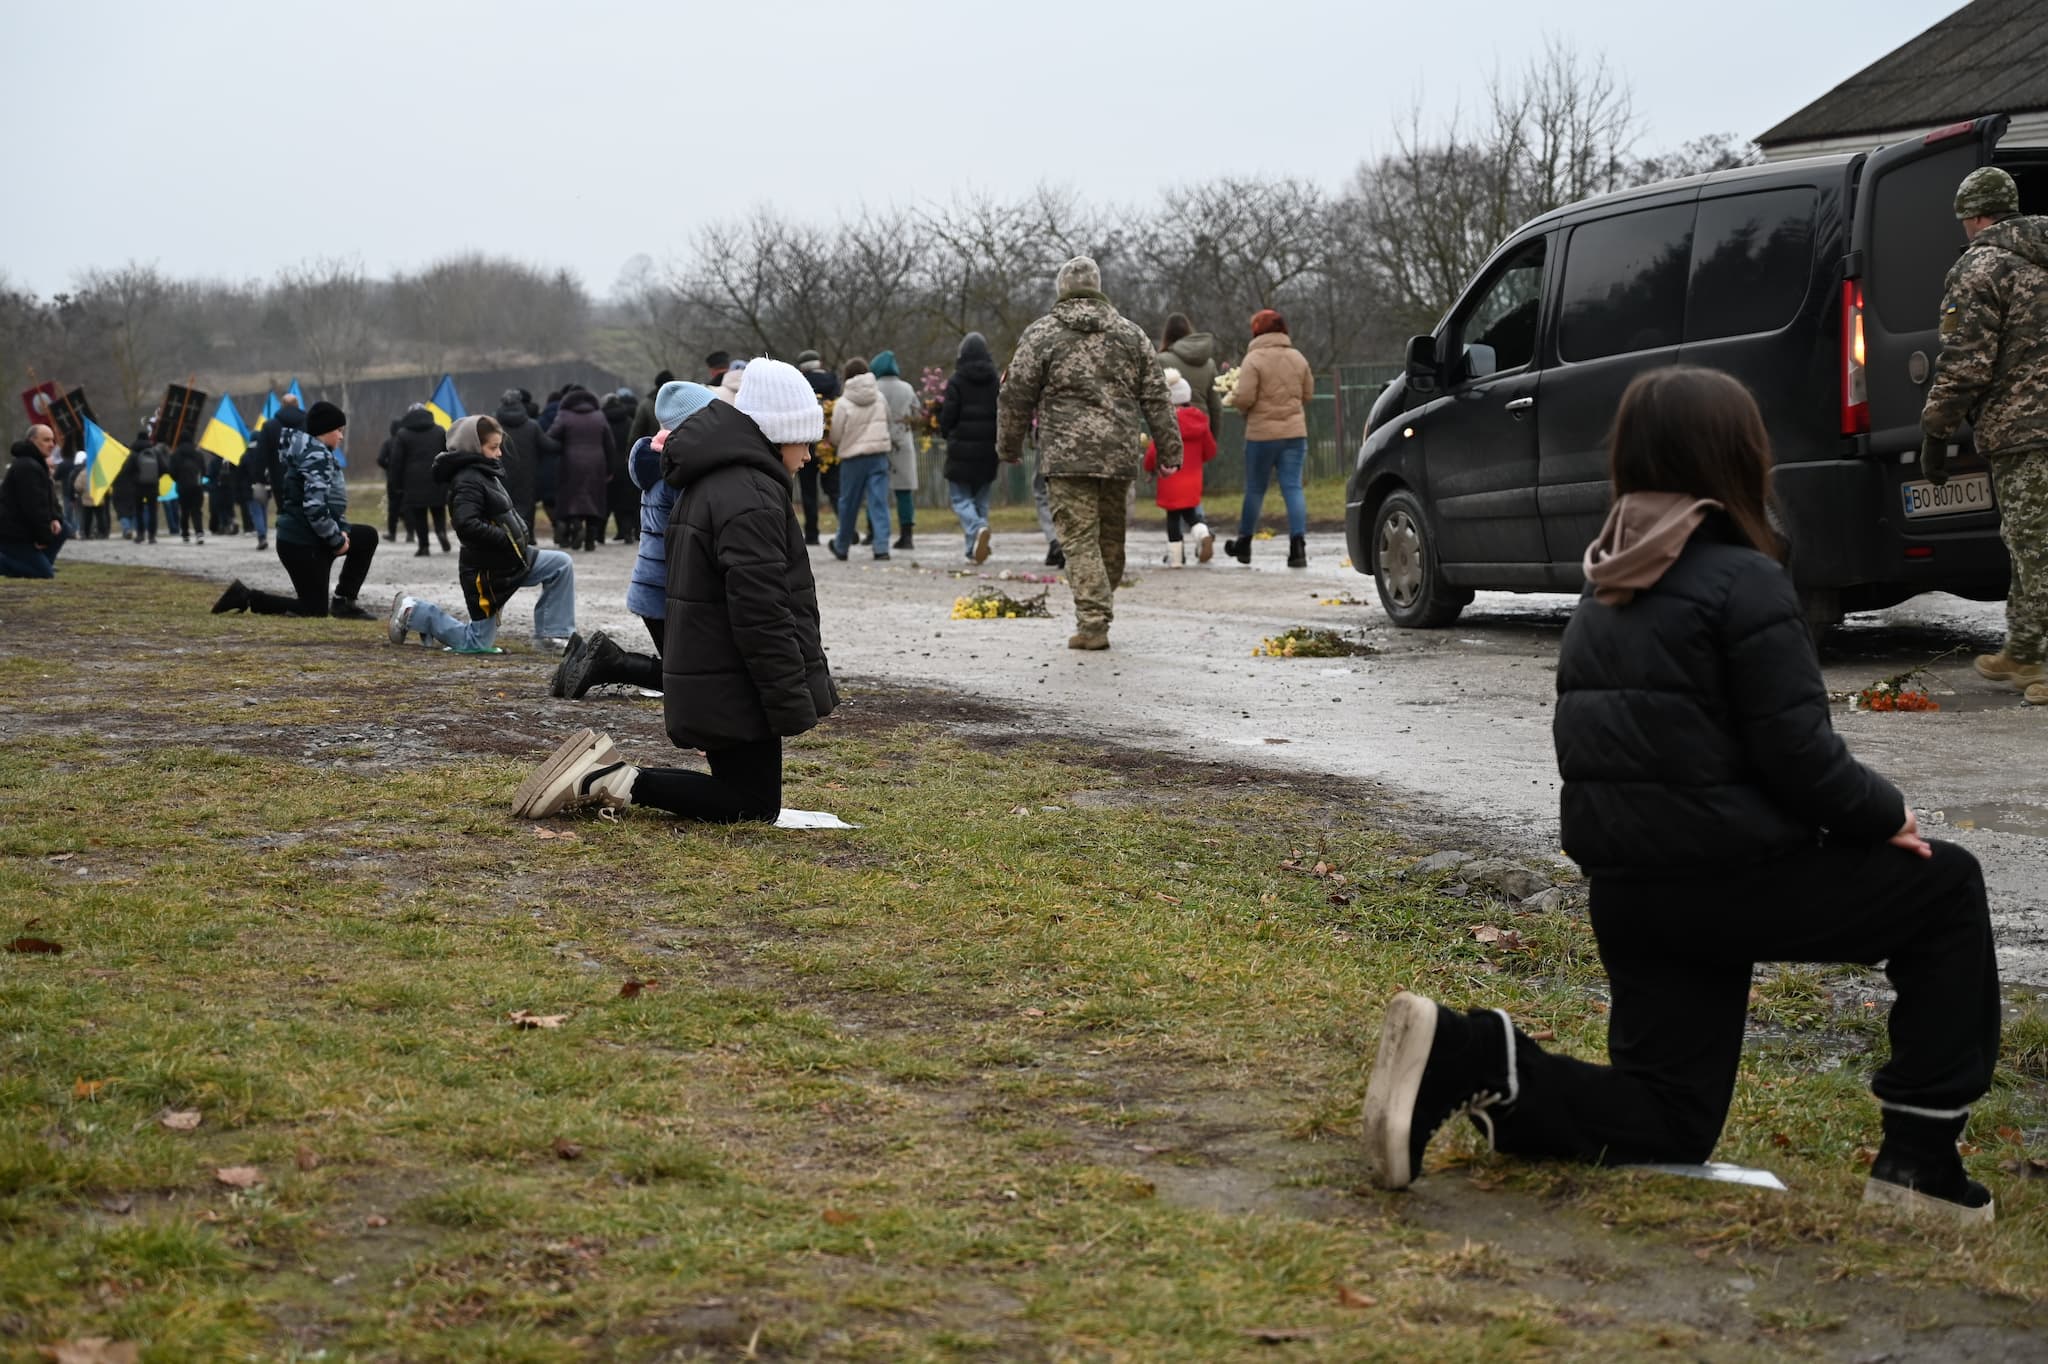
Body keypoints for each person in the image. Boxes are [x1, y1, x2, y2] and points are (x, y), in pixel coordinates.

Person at [1359, 366, 2000, 1226]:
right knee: (1946, 888)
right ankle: (1922, 1162)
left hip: (1631, 895)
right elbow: (1799, 755)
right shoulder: (1744, 580)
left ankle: (1473, 1053)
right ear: (1739, 459)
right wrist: (1889, 817)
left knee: (1667, 1121)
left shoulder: (1604, 588)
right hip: (1728, 882)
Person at [515, 359, 836, 823]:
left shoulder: (721, 479)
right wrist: (787, 697)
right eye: (804, 439)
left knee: (744, 794)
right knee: (753, 804)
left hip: (718, 667)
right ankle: (605, 780)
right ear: (779, 432)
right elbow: (761, 612)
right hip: (734, 675)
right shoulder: (752, 494)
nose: (808, 455)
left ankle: (611, 779)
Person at [997, 255, 1181, 650]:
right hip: (1117, 453)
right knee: (1110, 539)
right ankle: (1099, 606)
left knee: (1079, 539)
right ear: (1098, 287)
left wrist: (1008, 445)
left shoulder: (1042, 334)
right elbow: (1156, 395)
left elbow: (1015, 395)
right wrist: (1170, 448)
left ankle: (1094, 621)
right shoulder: (1131, 335)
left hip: (1065, 455)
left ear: (1062, 289)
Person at [1918, 166, 2048, 707]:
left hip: (2025, 429)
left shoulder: (1980, 268)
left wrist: (1936, 429)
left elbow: (1966, 362)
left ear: (1973, 216)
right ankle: (2021, 648)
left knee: (2036, 546)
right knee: (2027, 539)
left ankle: (2039, 662)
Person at [554, 381, 719, 698]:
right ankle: (608, 662)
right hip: (669, 592)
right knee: (692, 679)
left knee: (687, 673)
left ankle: (586, 656)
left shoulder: (662, 464)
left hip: (655, 589)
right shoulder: (678, 475)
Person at [384, 415, 576, 655]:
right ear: (475, 447)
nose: (499, 453)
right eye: (493, 447)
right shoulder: (467, 480)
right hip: (487, 572)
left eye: (499, 447)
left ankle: (553, 635)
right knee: (476, 643)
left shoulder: (485, 473)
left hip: (512, 559)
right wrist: (503, 538)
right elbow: (466, 523)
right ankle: (413, 611)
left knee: (560, 565)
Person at [211, 401, 379, 619]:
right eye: (338, 430)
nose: (341, 436)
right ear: (324, 431)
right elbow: (315, 508)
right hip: (301, 544)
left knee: (366, 537)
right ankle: (247, 597)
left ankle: (344, 602)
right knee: (313, 609)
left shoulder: (314, 452)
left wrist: (339, 533)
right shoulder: (316, 457)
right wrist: (337, 540)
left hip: (312, 537)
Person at [1223, 309, 1316, 569]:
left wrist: (1237, 400)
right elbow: (1308, 393)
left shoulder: (1254, 359)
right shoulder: (1297, 357)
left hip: (1262, 435)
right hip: (1295, 434)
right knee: (1293, 488)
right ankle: (1298, 547)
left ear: (1257, 330)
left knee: (1255, 489)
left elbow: (1245, 398)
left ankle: (1244, 543)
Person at [1144, 370, 1218, 567]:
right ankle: (1203, 534)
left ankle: (1176, 559)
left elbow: (1152, 453)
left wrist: (1149, 467)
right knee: (1191, 514)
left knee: (1173, 518)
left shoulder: (1165, 424)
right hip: (1193, 478)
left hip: (1170, 479)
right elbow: (1210, 451)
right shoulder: (1200, 422)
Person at [938, 333, 1001, 564]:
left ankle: (978, 528)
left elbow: (949, 416)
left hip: (961, 451)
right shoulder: (995, 380)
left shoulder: (956, 380)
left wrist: (945, 431)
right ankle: (972, 549)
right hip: (988, 450)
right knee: (980, 501)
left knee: (960, 499)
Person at [826, 358, 894, 561]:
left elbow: (836, 434)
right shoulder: (879, 397)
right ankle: (881, 547)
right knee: (879, 502)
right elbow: (888, 421)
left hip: (852, 458)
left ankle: (842, 545)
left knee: (848, 503)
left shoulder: (843, 403)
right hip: (878, 455)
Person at [549, 385, 614, 552]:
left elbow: (551, 436)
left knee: (573, 496)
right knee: (594, 497)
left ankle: (576, 525)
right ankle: (590, 540)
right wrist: (610, 467)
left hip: (571, 461)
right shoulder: (599, 416)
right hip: (597, 462)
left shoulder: (564, 415)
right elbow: (609, 443)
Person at [871, 350, 921, 551]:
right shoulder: (907, 388)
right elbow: (917, 412)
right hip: (903, 442)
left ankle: (874, 532)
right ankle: (906, 535)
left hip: (879, 439)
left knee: (876, 489)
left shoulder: (875, 388)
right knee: (904, 491)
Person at [0, 431, 67, 578]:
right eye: (46, 440)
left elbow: (50, 500)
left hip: (24, 530)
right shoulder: (27, 467)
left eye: (52, 440)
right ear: (32, 441)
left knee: (64, 528)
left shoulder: (37, 465)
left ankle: (39, 562)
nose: (52, 445)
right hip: (13, 534)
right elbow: (34, 507)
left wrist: (55, 518)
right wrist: (43, 537)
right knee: (44, 574)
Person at [390, 404, 451, 556]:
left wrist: (396, 483)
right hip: (437, 476)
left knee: (419, 513)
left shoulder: (403, 434)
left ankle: (424, 546)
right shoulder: (439, 430)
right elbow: (447, 453)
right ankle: (441, 532)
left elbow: (396, 461)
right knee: (438, 509)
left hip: (413, 480)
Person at [494, 387, 554, 542]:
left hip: (501, 472)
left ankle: (507, 537)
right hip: (528, 473)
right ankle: (529, 537)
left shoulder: (494, 426)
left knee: (504, 505)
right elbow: (547, 446)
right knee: (527, 506)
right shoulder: (532, 425)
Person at [794, 351, 840, 545]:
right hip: (829, 443)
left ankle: (812, 533)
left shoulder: (799, 384)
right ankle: (846, 528)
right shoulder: (833, 382)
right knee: (834, 489)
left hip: (807, 443)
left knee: (808, 491)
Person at [603, 387, 641, 544]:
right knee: (629, 500)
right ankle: (629, 532)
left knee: (610, 500)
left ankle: (601, 534)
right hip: (627, 463)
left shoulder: (603, 421)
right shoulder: (629, 421)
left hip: (608, 465)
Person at [169, 437, 207, 544]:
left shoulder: (176, 455)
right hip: (197, 485)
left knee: (184, 510)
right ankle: (199, 532)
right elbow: (204, 470)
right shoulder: (198, 454)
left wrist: (178, 479)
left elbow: (171, 471)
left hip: (183, 486)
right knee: (197, 510)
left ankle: (185, 533)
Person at [376, 417, 407, 543]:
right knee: (407, 506)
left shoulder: (388, 443)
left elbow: (380, 459)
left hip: (393, 479)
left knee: (393, 506)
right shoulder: (407, 441)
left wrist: (388, 467)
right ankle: (410, 532)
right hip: (407, 479)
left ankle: (392, 533)